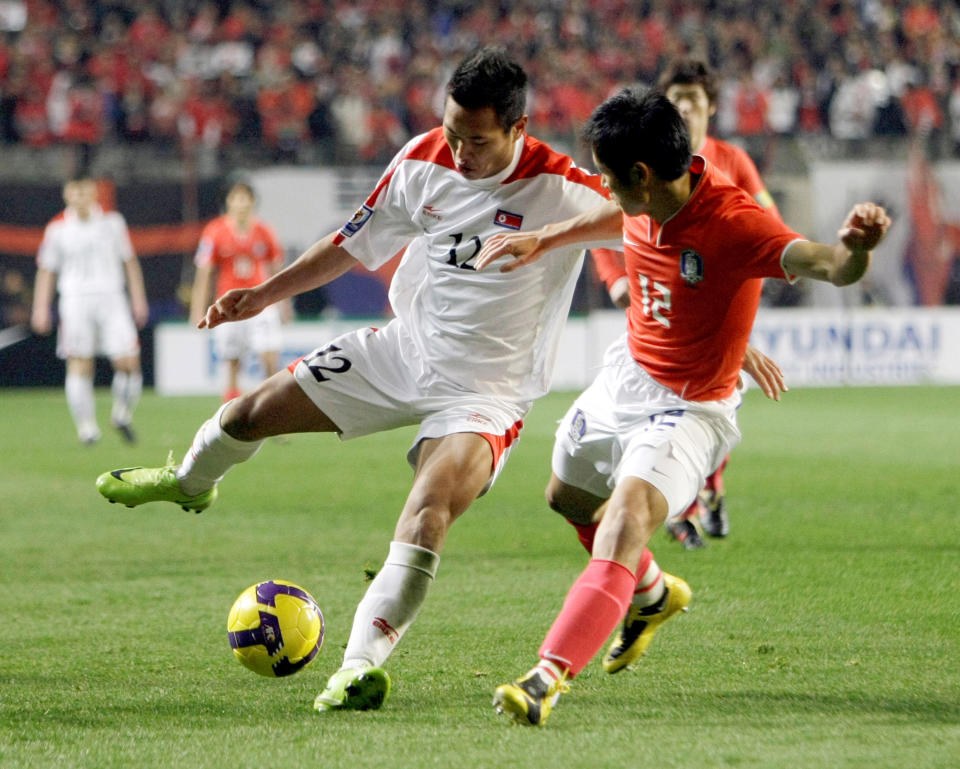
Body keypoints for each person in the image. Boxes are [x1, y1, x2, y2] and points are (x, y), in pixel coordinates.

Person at [94, 47, 681, 715]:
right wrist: (263, 294)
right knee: (245, 415)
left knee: (427, 514)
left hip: (484, 395)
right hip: (401, 352)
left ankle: (356, 667)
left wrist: (556, 238)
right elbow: (349, 242)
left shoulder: (563, 182)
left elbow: (657, 211)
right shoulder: (424, 158)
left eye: (478, 140)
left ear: (520, 128)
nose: (459, 152)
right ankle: (191, 482)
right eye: (453, 132)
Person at [474, 88, 889, 726]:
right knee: (566, 498)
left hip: (691, 407)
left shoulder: (733, 221)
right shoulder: (649, 195)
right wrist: (550, 238)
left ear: (640, 175)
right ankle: (652, 593)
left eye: (610, 178)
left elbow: (828, 265)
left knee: (623, 523)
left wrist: (856, 248)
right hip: (627, 373)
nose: (606, 188)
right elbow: (622, 220)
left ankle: (544, 677)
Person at [592, 59, 784, 548]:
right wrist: (616, 279)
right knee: (683, 406)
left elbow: (766, 226)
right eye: (674, 98)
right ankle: (686, 505)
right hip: (659, 309)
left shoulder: (732, 162)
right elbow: (605, 222)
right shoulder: (634, 169)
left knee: (709, 401)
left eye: (693, 99)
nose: (683, 106)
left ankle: (704, 492)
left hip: (717, 303)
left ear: (711, 108)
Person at [31, 176, 148, 445]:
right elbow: (46, 271)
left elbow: (129, 262)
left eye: (85, 192)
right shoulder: (57, 229)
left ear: (95, 193)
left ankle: (122, 415)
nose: (80, 197)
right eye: (75, 192)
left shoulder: (112, 223)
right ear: (66, 194)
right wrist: (40, 308)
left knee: (128, 362)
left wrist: (138, 299)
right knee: (80, 363)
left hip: (112, 298)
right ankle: (87, 429)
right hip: (75, 301)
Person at [190, 181, 288, 402]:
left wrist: (285, 304)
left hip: (261, 304)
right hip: (228, 306)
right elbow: (204, 274)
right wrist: (198, 309)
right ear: (228, 202)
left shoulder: (265, 231)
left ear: (252, 202)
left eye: (245, 198)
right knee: (233, 365)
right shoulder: (215, 231)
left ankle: (272, 412)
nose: (240, 203)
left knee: (270, 360)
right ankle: (232, 417)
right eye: (236, 198)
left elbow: (277, 272)